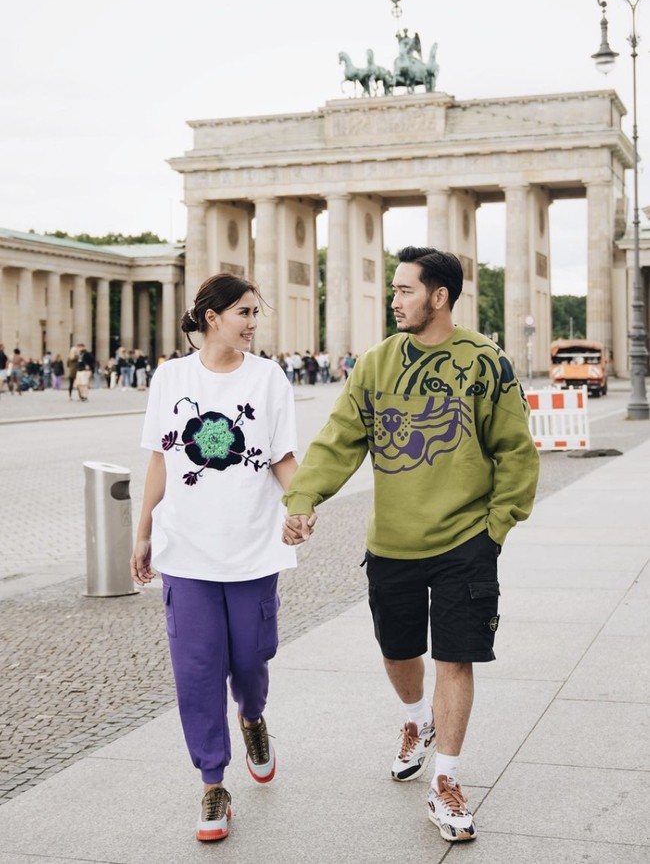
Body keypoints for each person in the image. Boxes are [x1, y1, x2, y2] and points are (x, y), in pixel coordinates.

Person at [282, 246, 539, 844]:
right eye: (395, 290)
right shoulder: (375, 363)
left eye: (404, 290)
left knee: (456, 655)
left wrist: (495, 528)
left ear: (439, 297)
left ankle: (446, 780)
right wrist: (303, 498)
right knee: (399, 653)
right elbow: (340, 438)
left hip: (464, 541)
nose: (394, 300)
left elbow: (516, 452)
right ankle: (414, 718)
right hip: (393, 542)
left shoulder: (486, 363)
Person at [131, 272, 310, 843]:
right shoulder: (170, 378)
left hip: (253, 547)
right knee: (197, 669)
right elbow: (160, 461)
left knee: (254, 654)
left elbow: (282, 456)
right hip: (186, 549)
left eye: (256, 312)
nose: (254, 323)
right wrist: (143, 533)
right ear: (212, 317)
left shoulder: (269, 378)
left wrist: (301, 503)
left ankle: (253, 716)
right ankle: (213, 782)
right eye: (244, 313)